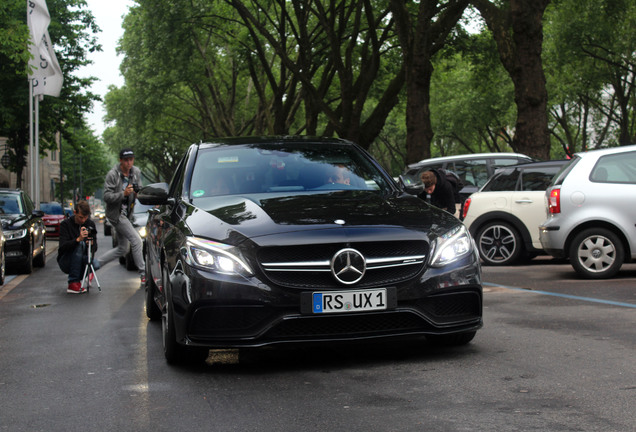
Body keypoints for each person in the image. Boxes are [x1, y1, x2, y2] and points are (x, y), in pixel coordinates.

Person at [97, 148, 145, 283]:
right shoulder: (112, 175)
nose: (129, 163)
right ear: (120, 161)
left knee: (122, 249)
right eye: (126, 160)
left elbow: (139, 191)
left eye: (131, 159)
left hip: (127, 214)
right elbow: (106, 197)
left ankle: (95, 265)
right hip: (116, 215)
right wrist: (123, 194)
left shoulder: (135, 172)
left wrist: (138, 194)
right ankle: (143, 273)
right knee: (137, 240)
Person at [57, 200, 100, 294]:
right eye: (81, 217)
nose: (83, 220)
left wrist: (91, 244)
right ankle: (73, 282)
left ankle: (79, 279)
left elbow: (95, 248)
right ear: (74, 212)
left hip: (82, 259)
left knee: (96, 264)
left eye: (85, 217)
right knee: (80, 244)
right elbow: (62, 247)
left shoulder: (90, 224)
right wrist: (77, 240)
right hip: (66, 259)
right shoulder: (66, 224)